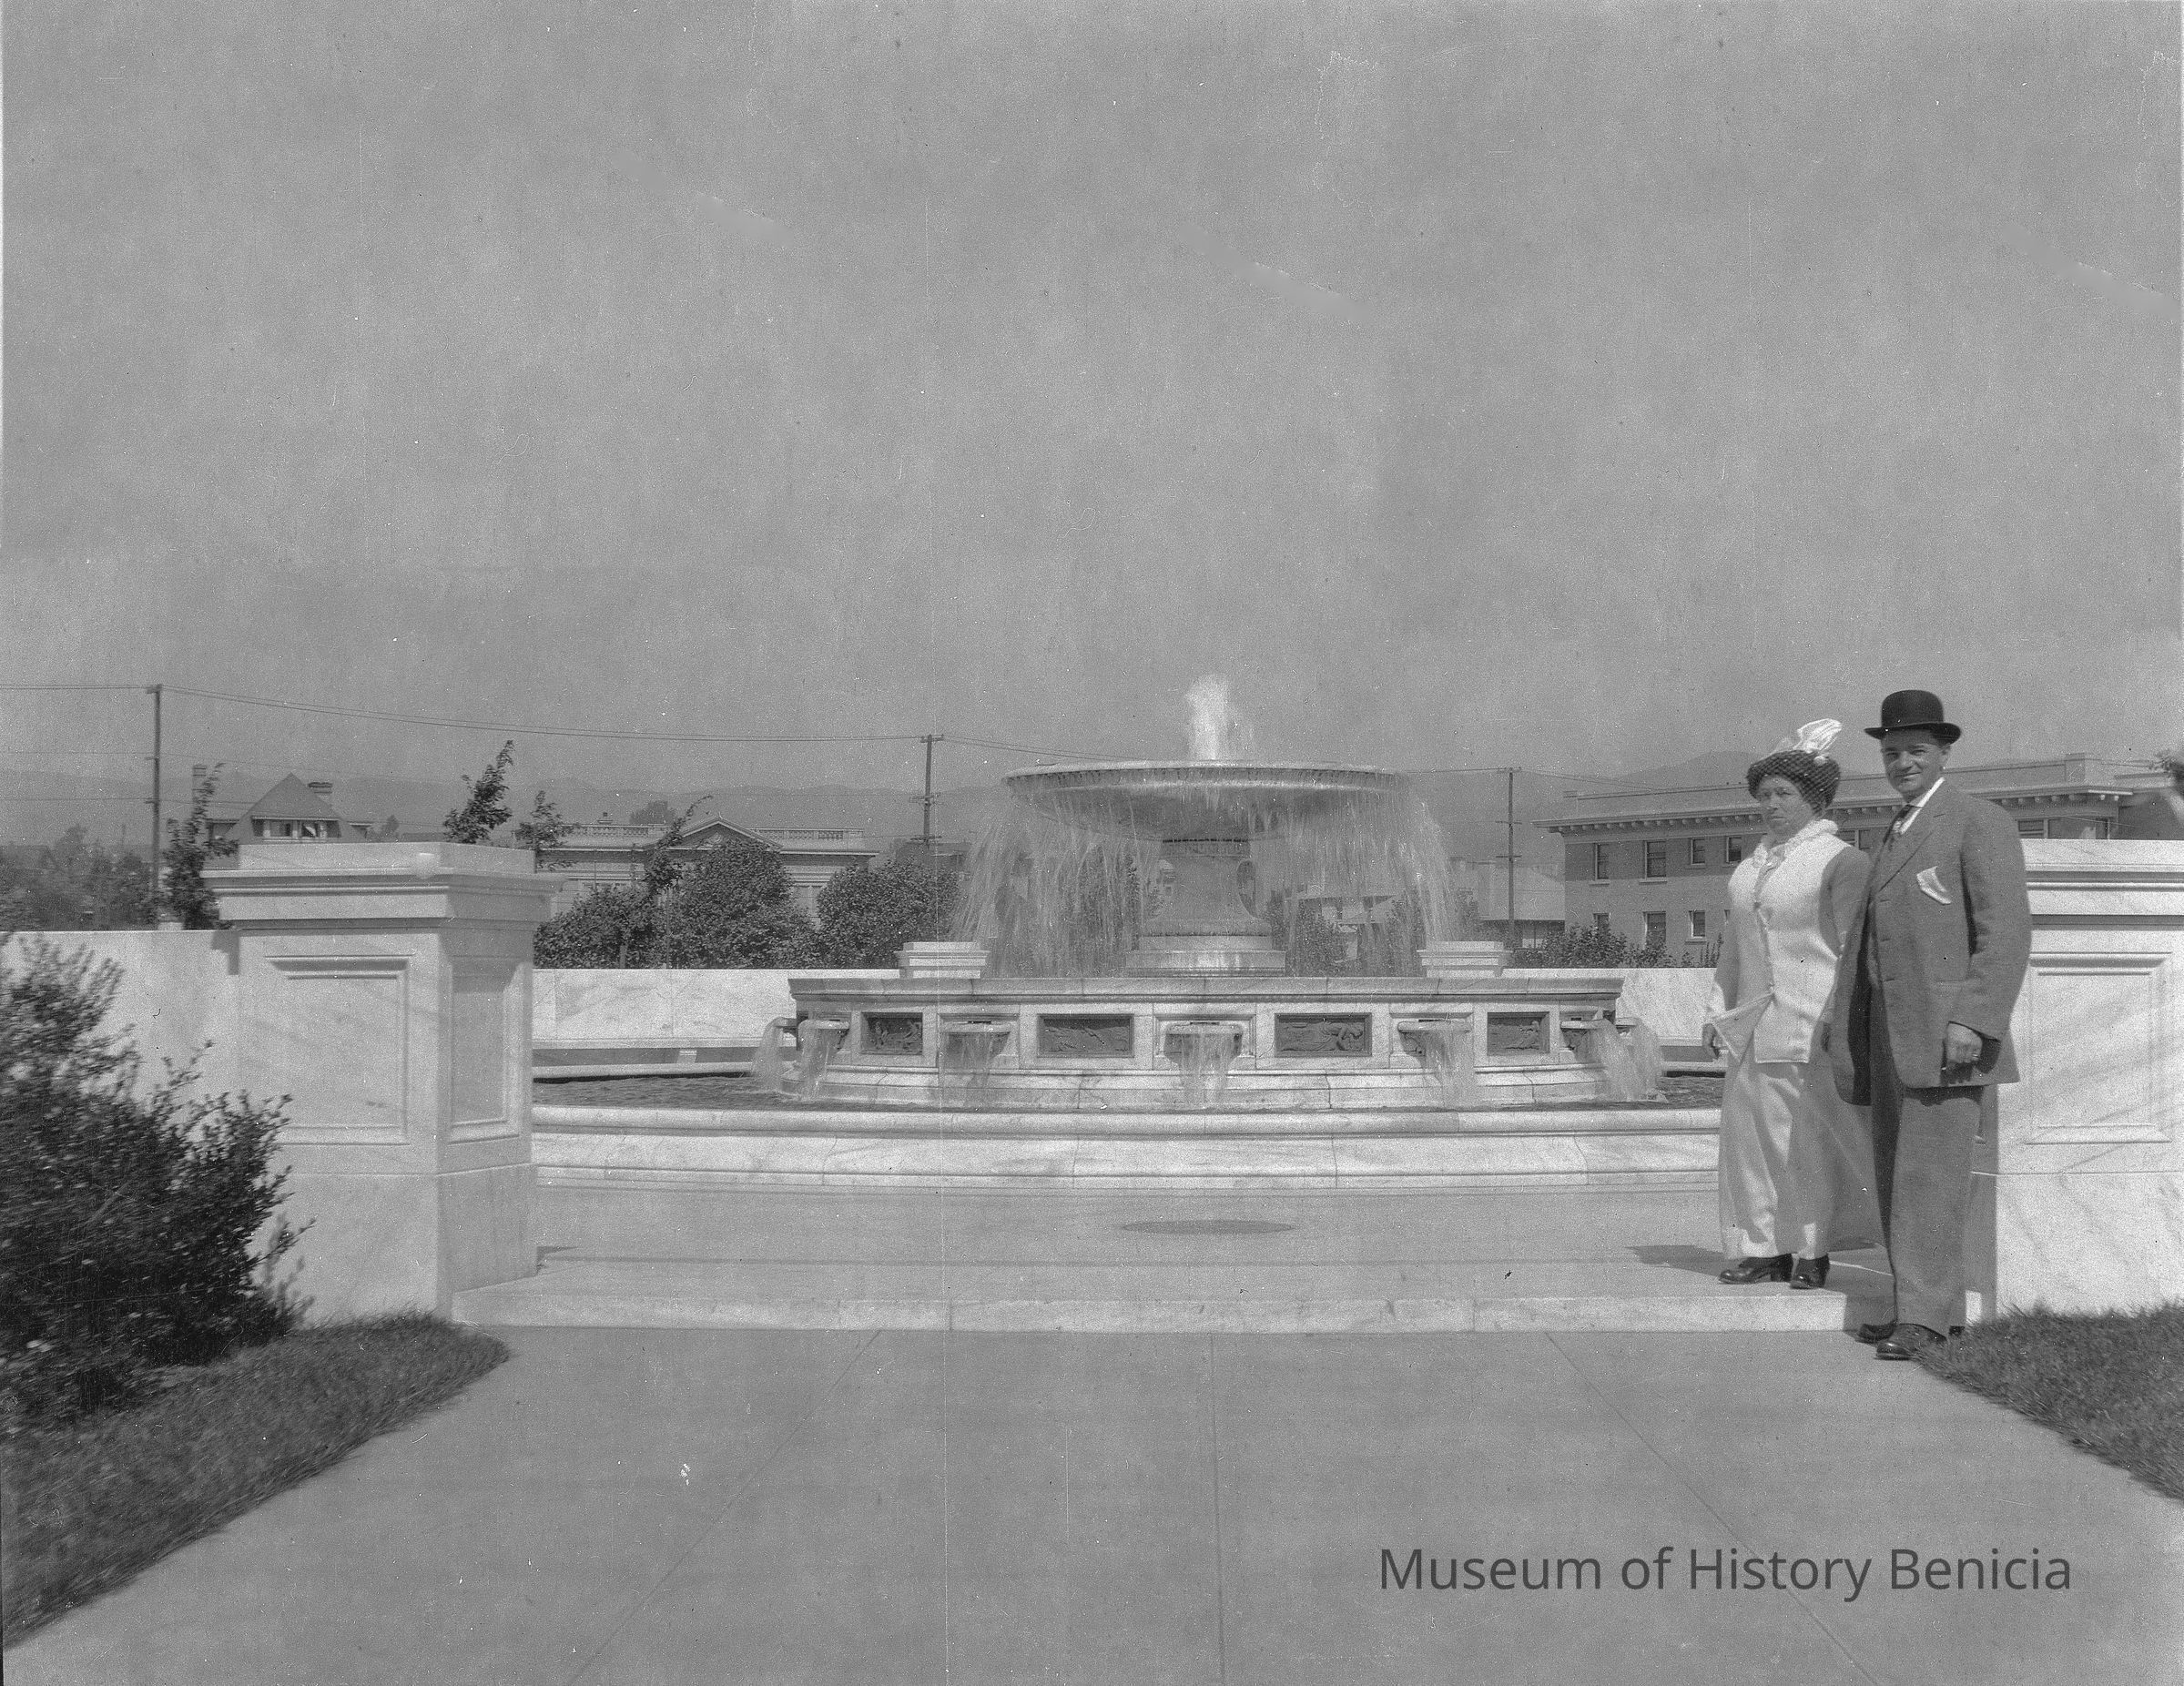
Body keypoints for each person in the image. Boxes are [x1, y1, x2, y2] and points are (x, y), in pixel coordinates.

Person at [1824, 690, 2031, 1361]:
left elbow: (2004, 935)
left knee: (1930, 1181)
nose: (1901, 763)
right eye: (1890, 753)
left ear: (1943, 752)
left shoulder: (1978, 821)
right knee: (1896, 1176)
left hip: (1947, 1039)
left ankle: (1927, 1319)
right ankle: (1920, 1308)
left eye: (1915, 751)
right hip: (1889, 1035)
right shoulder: (1896, 828)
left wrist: (1973, 1019)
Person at [1703, 721, 1882, 1289]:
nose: (1771, 805)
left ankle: (1812, 1249)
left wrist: (1838, 1018)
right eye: (1764, 795)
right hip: (1751, 1027)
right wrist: (1716, 1009)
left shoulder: (1840, 862)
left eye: (1785, 794)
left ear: (1818, 800)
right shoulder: (1751, 867)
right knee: (1750, 1144)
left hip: (1811, 1024)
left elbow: (1854, 949)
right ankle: (1763, 1248)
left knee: (1806, 1143)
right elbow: (1733, 949)